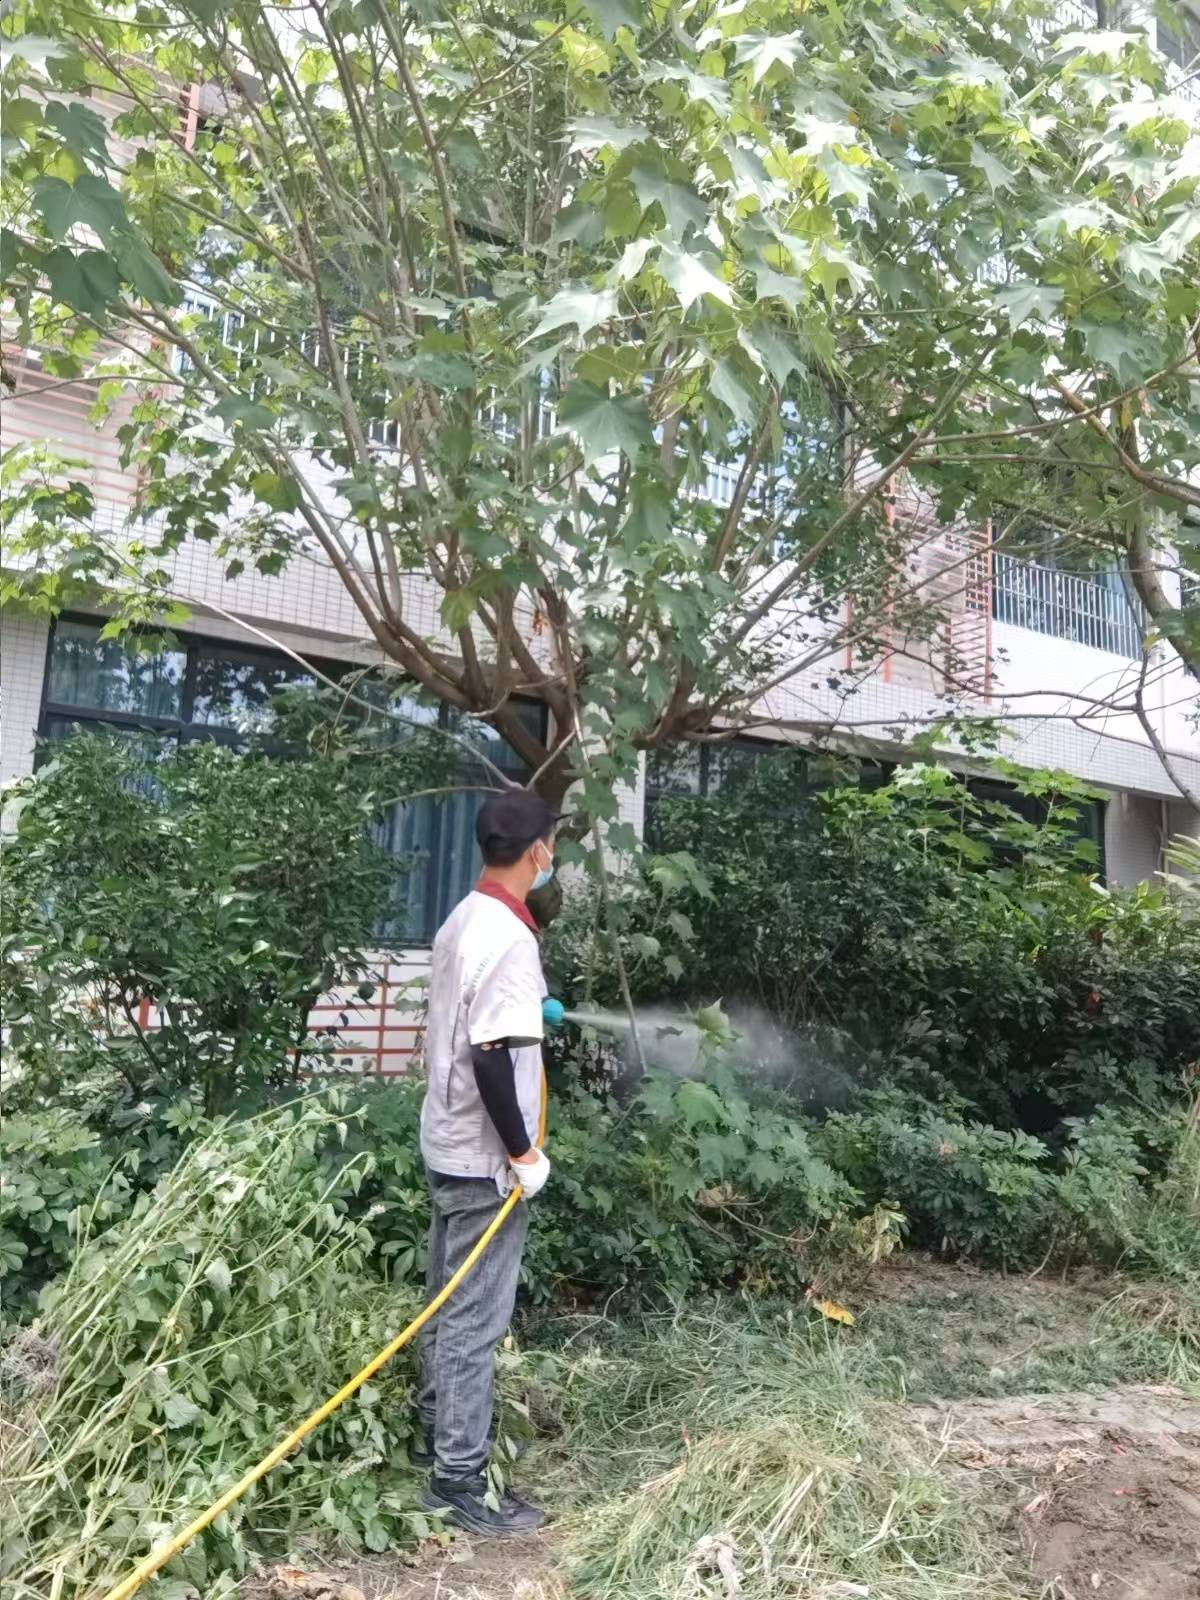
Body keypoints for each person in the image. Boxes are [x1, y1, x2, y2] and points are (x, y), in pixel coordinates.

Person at [415, 788, 557, 1536]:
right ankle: (458, 1482)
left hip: (444, 1142)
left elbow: (475, 1018)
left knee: (443, 1305)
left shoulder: (462, 919)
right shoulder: (510, 935)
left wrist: (537, 1009)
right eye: (552, 843)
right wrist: (523, 1152)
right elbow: (492, 1053)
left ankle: (432, 1436)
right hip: (483, 1162)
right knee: (473, 1321)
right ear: (538, 850)